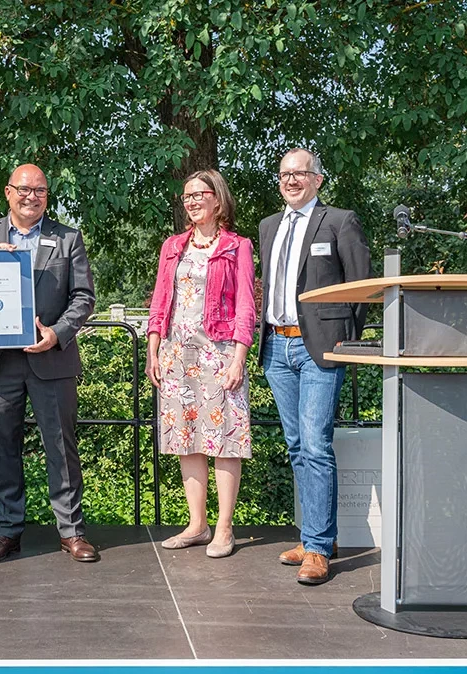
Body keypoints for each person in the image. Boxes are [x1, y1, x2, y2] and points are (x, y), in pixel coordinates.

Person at [0, 164, 98, 563]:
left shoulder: (68, 238)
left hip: (51, 359)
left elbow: (83, 298)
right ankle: (9, 530)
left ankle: (72, 531)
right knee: (3, 445)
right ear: (8, 192)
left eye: (40, 190)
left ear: (48, 195)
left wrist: (57, 333)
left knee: (61, 447)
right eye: (24, 189)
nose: (32, 196)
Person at [258, 148, 371, 584]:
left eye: (300, 173)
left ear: (318, 180)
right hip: (277, 348)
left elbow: (361, 288)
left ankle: (319, 548)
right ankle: (315, 536)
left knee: (316, 445)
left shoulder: (340, 221)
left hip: (319, 349)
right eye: (285, 174)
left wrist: (344, 340)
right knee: (296, 447)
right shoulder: (269, 226)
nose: (291, 181)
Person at [145, 169, 256, 559]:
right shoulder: (172, 246)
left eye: (199, 194)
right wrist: (153, 351)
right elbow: (159, 301)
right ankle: (197, 524)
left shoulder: (237, 246)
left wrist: (239, 356)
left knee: (225, 437)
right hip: (177, 351)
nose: (191, 201)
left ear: (217, 199)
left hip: (221, 350)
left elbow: (246, 304)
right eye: (187, 196)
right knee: (186, 436)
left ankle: (224, 527)